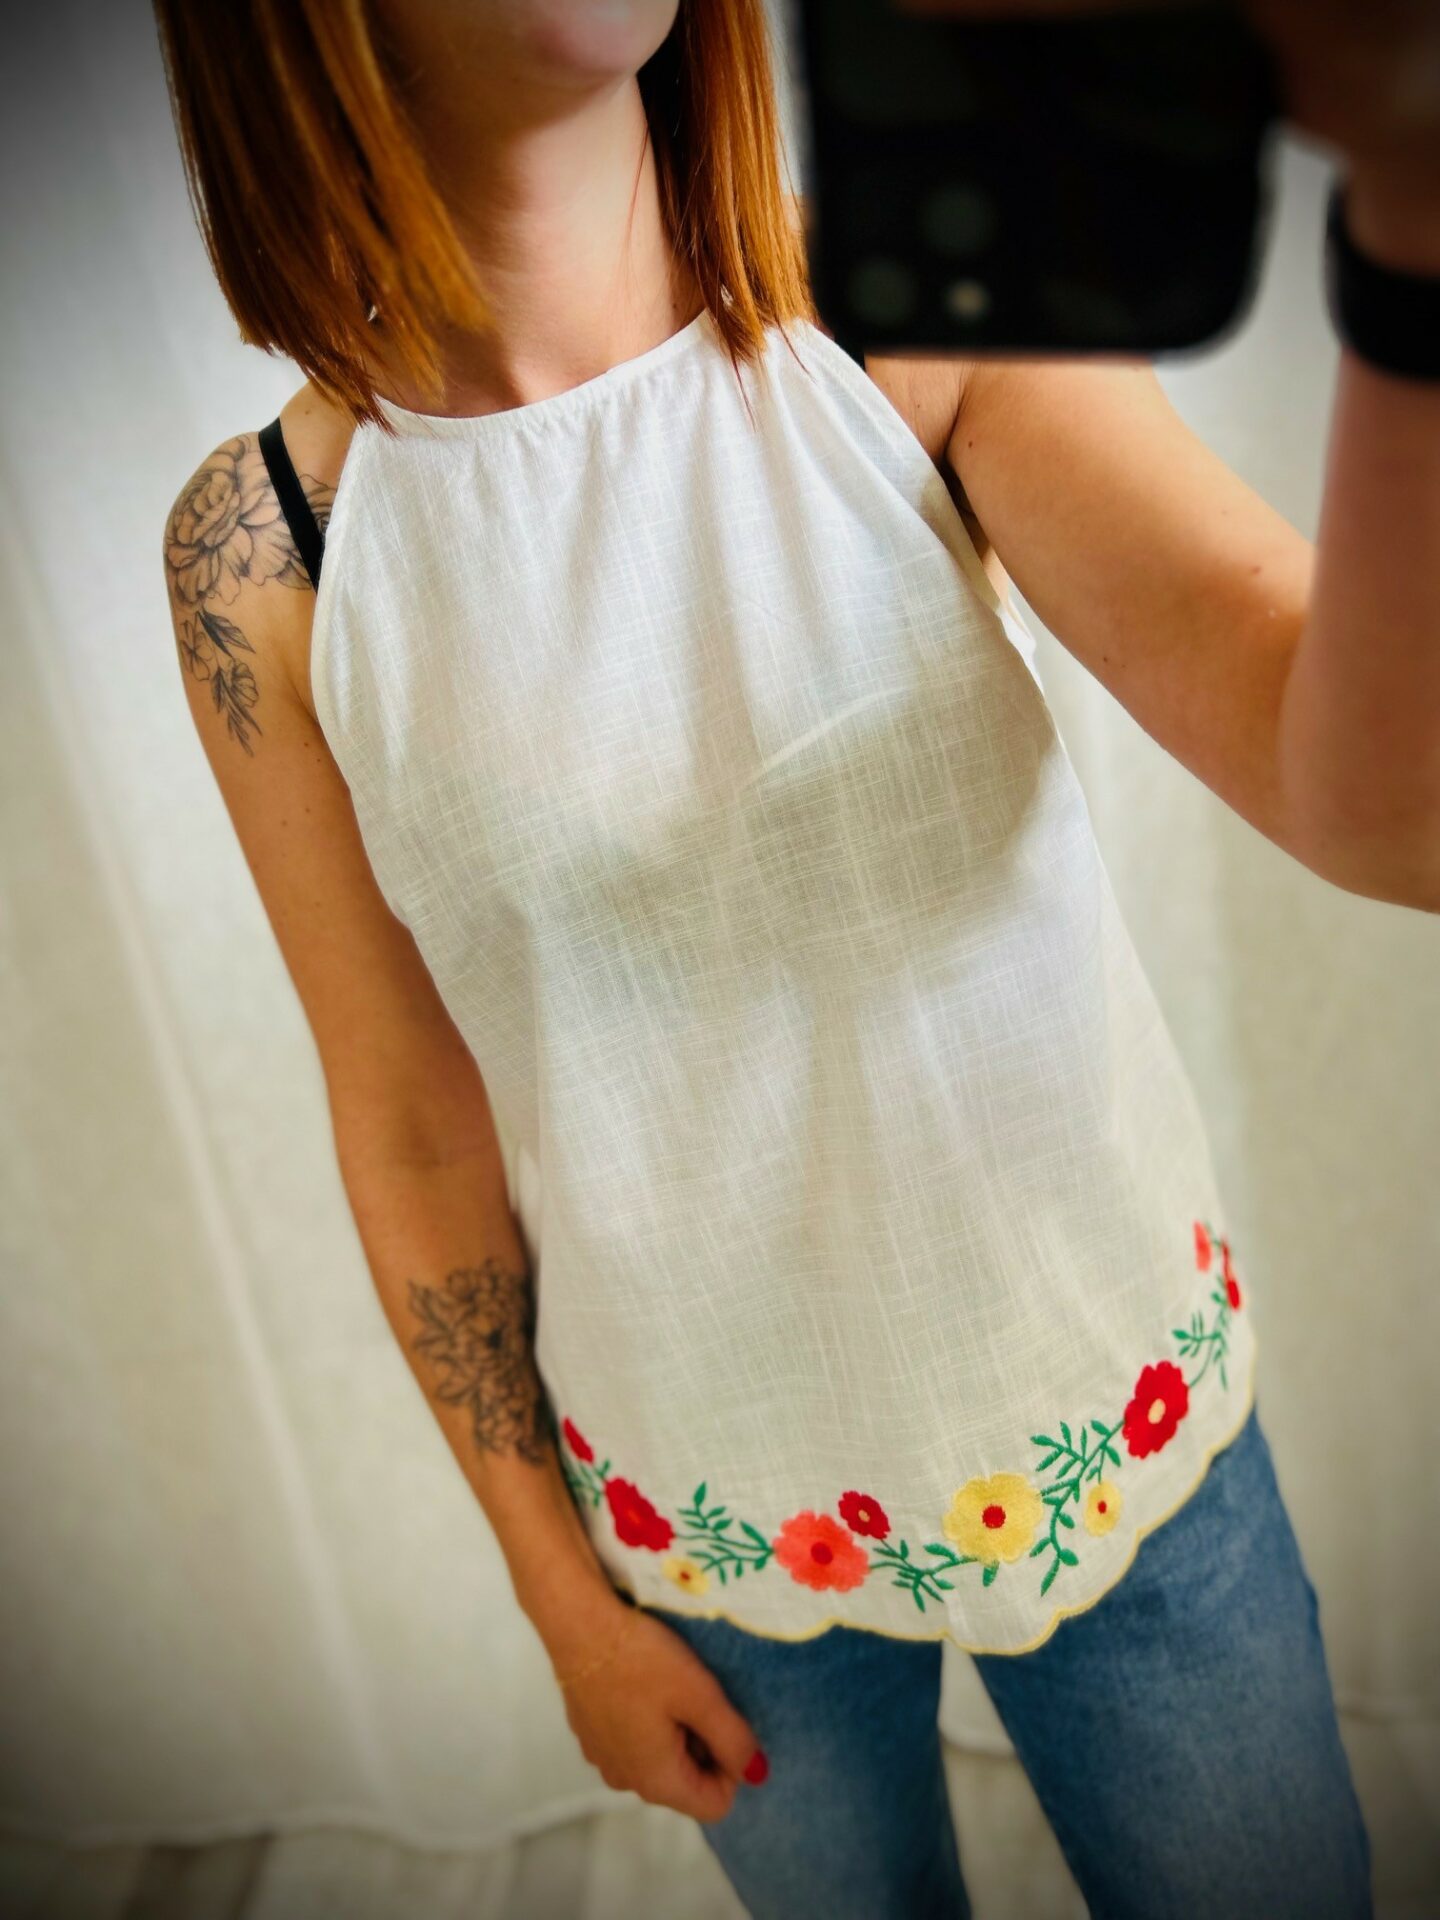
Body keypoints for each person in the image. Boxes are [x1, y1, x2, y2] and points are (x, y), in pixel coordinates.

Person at [154, 1, 1440, 1912]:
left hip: (1103, 1405)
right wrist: (559, 1598)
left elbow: (1390, 817)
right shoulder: (264, 556)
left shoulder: (913, 315)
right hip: (698, 1514)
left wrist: (1416, 235)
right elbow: (411, 1122)